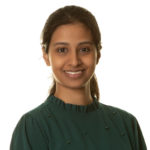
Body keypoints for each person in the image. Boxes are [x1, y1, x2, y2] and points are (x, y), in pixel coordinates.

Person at [9, 4, 148, 150]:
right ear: (46, 55)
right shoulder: (32, 125)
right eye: (62, 50)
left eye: (84, 49)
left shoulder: (127, 123)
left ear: (98, 53)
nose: (74, 61)